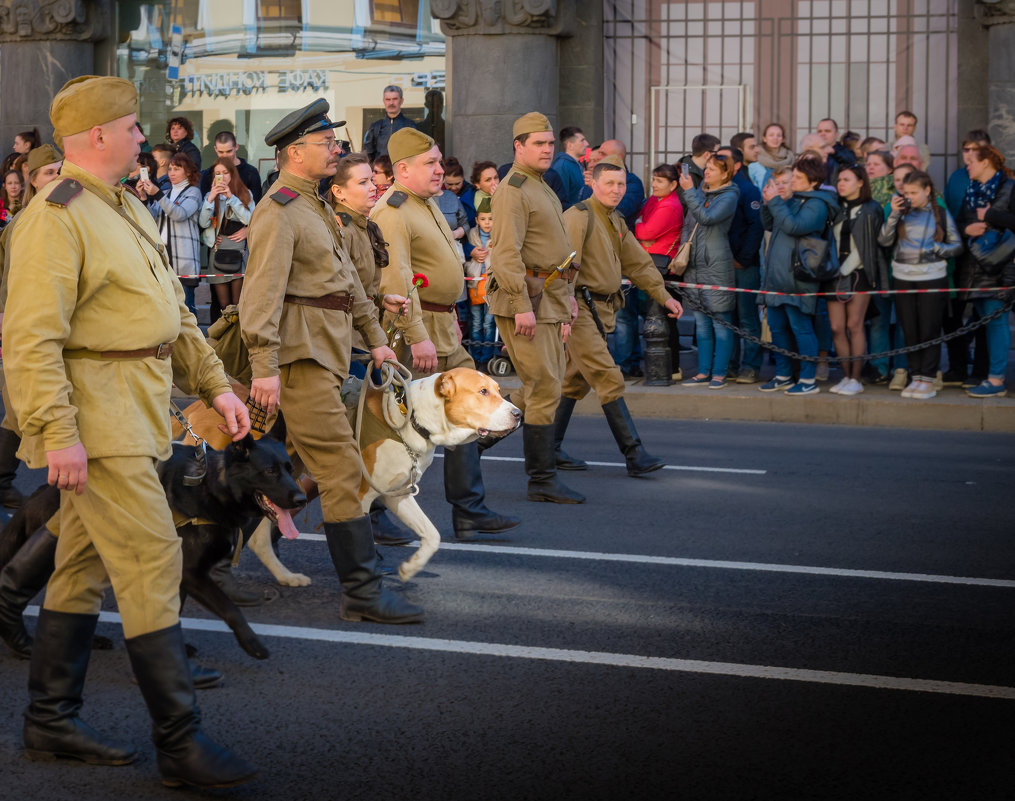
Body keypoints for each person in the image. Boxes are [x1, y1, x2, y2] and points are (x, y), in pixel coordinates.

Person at [2, 74, 254, 789]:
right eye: (133, 126)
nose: (145, 136)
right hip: (95, 416)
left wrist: (216, 385)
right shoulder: (56, 214)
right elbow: (30, 339)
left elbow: (172, 315)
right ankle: (181, 743)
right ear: (98, 137)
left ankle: (50, 720)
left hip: (135, 407)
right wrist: (58, 432)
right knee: (150, 557)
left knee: (80, 564)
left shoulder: (121, 206)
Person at [239, 98, 420, 624]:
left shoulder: (314, 204)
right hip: (300, 356)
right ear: (295, 153)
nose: (335, 149)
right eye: (326, 143)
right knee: (342, 470)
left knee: (266, 466)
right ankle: (362, 592)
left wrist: (376, 339)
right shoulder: (279, 210)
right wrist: (264, 366)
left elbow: (345, 287)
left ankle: (209, 561)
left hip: (327, 349)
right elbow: (261, 295)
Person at [372, 128, 519, 541]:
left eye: (439, 161)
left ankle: (469, 509)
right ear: (402, 169)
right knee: (395, 421)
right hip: (415, 329)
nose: (440, 169)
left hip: (443, 324)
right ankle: (372, 512)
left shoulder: (428, 203)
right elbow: (396, 280)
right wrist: (416, 333)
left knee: (472, 410)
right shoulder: (394, 210)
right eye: (430, 164)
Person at [555, 156, 682, 473]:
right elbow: (562, 269)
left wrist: (664, 297)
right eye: (609, 183)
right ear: (593, 184)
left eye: (621, 184)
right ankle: (634, 455)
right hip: (579, 310)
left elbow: (638, 263)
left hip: (601, 310)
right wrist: (564, 313)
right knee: (608, 376)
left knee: (569, 383)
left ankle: (539, 447)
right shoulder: (579, 216)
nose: (616, 189)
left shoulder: (615, 219)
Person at [489, 111, 583, 504]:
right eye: (538, 144)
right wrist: (519, 304)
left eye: (549, 143)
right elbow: (505, 253)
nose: (547, 149)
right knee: (544, 386)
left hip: (550, 296)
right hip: (528, 299)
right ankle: (541, 479)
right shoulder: (513, 188)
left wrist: (569, 297)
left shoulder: (540, 185)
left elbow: (555, 249)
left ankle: (473, 446)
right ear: (519, 146)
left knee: (542, 384)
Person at [327, 152, 415, 547]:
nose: (373, 186)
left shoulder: (363, 226)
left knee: (366, 432)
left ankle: (370, 514)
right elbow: (343, 291)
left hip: (365, 342)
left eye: (372, 180)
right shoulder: (341, 229)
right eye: (362, 182)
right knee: (359, 436)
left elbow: (363, 288)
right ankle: (368, 519)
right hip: (348, 348)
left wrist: (384, 300)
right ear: (338, 192)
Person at [758, 156, 840, 395]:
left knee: (801, 328)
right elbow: (771, 224)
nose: (791, 181)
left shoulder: (818, 204)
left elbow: (796, 227)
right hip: (777, 277)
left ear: (813, 181)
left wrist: (776, 203)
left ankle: (807, 379)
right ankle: (783, 374)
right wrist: (767, 203)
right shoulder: (794, 199)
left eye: (797, 178)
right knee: (778, 328)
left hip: (798, 277)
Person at [877, 170, 963, 399]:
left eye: (914, 192)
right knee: (909, 330)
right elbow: (883, 241)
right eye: (906, 193)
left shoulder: (941, 214)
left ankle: (928, 377)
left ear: (927, 191)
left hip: (932, 277)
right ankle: (916, 376)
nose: (910, 197)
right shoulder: (900, 214)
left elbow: (957, 245)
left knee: (929, 329)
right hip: (903, 277)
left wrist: (936, 250)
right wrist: (894, 214)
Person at [956, 144, 1015, 398]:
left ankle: (996, 379)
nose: (967, 165)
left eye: (971, 161)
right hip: (975, 267)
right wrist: (966, 229)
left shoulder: (1010, 187)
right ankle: (989, 376)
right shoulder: (972, 190)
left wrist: (990, 214)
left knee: (996, 323)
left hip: (1001, 267)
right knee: (986, 323)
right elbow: (959, 222)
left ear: (986, 163)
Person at [678, 153, 740, 388]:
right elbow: (688, 225)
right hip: (694, 266)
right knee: (701, 324)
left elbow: (706, 218)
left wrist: (689, 191)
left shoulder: (730, 195)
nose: (707, 172)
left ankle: (720, 373)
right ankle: (704, 371)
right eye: (707, 168)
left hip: (716, 267)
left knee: (720, 323)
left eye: (713, 169)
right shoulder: (700, 192)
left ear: (726, 174)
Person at [826, 165, 886, 396]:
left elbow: (868, 246)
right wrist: (833, 269)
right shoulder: (835, 207)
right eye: (839, 179)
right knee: (836, 328)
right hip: (833, 273)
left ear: (860, 182)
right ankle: (846, 375)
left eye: (847, 179)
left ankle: (856, 378)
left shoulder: (871, 209)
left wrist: (844, 269)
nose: (841, 183)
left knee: (854, 325)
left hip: (859, 274)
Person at [717, 145, 765, 383]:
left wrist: (743, 259)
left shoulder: (748, 190)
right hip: (723, 265)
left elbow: (756, 227)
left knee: (747, 318)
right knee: (729, 318)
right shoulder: (719, 189)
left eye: (722, 159)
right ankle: (732, 365)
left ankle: (751, 366)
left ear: (736, 165)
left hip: (743, 265)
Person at [634, 163, 684, 379]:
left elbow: (645, 230)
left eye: (659, 181)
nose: (654, 184)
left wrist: (640, 225)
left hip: (663, 268)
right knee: (655, 317)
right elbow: (642, 219)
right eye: (653, 179)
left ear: (673, 185)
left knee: (665, 320)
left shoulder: (671, 205)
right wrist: (641, 224)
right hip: (650, 263)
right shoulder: (655, 200)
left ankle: (671, 368)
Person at [138, 152, 203, 316]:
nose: (171, 173)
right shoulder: (166, 193)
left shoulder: (194, 192)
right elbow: (151, 219)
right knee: (167, 305)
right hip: (164, 255)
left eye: (177, 169)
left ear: (188, 172)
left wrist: (157, 194)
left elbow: (179, 214)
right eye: (170, 169)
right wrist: (145, 197)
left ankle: (191, 341)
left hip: (184, 258)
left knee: (186, 306)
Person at [199, 157, 254, 309]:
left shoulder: (245, 193)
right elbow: (203, 223)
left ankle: (237, 333)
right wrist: (210, 199)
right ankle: (225, 332)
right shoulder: (210, 197)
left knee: (238, 303)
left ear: (232, 174)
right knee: (223, 304)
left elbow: (250, 219)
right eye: (218, 173)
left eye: (225, 172)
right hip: (218, 251)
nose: (222, 177)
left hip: (239, 252)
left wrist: (231, 197)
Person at [465, 196, 497, 365]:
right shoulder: (472, 235)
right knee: (476, 321)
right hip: (475, 284)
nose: (487, 223)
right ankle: (475, 356)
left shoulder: (499, 235)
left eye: (491, 219)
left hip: (492, 285)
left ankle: (487, 357)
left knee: (489, 321)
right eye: (483, 219)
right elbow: (467, 259)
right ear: (476, 220)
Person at [199, 130, 263, 203]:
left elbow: (256, 204)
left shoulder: (251, 172)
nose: (225, 156)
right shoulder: (208, 174)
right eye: (221, 152)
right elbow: (204, 205)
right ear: (215, 149)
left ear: (236, 147)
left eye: (229, 151)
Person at [363, 85, 418, 163]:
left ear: (401, 100)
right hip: (380, 172)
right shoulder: (375, 127)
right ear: (384, 101)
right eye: (388, 99)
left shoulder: (410, 126)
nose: (391, 103)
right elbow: (368, 153)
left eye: (395, 99)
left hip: (402, 172)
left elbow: (415, 153)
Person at [676, 133, 721, 212]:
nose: (718, 156)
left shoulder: (696, 169)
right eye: (716, 153)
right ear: (707, 154)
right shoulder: (687, 175)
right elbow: (685, 207)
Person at [551, 126, 590, 210]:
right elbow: (560, 200)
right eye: (582, 141)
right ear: (570, 145)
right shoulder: (562, 166)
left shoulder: (577, 164)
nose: (587, 144)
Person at [816, 118, 856, 183]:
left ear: (837, 134)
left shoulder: (844, 151)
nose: (823, 134)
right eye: (819, 131)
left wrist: (834, 152)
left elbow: (851, 160)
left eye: (827, 131)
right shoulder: (811, 152)